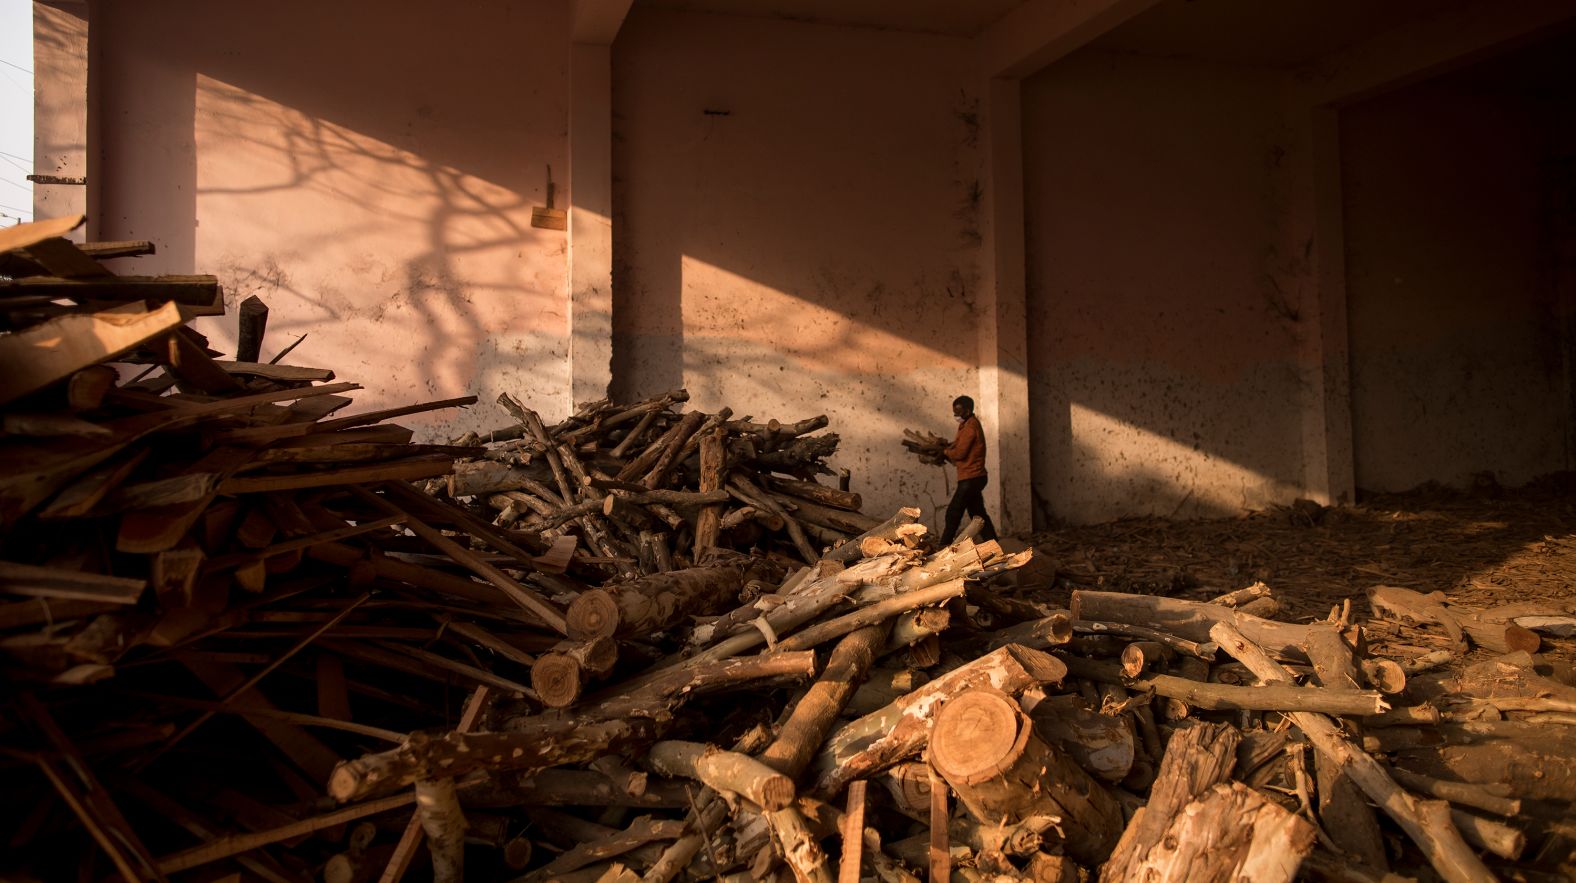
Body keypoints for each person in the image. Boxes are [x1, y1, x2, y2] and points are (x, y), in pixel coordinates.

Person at [939, 395, 997, 544]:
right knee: (978, 514)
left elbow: (960, 453)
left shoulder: (970, 427)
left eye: (958, 412)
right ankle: (993, 543)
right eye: (954, 412)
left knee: (953, 512)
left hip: (971, 478)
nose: (956, 415)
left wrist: (944, 452)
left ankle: (943, 545)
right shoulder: (966, 425)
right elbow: (958, 446)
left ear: (968, 410)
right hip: (973, 477)